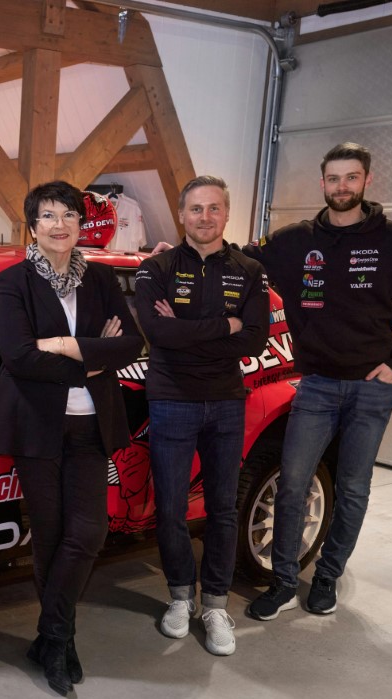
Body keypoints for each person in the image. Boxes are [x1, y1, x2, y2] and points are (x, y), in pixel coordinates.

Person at [242, 142, 392, 620]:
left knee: (352, 488)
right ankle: (283, 581)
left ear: (367, 180)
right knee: (293, 484)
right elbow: (243, 260)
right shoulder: (296, 240)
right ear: (322, 182)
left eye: (351, 177)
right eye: (333, 178)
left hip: (372, 388)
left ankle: (327, 575)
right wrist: (179, 254)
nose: (342, 187)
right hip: (317, 386)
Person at [0, 180, 144, 695]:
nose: (60, 225)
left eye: (69, 215)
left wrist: (62, 344)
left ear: (80, 224)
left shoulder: (100, 279)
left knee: (89, 533)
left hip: (91, 425)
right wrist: (91, 356)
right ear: (33, 227)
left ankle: (51, 635)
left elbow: (131, 344)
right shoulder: (14, 283)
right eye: (49, 216)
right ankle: (61, 641)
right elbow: (18, 356)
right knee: (51, 536)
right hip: (37, 426)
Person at [133, 176, 269, 655]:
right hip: (171, 400)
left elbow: (254, 339)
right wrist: (225, 326)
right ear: (181, 215)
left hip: (226, 401)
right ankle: (179, 597)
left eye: (214, 208)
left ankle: (214, 604)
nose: (205, 217)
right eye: (196, 209)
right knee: (170, 508)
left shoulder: (250, 270)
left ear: (226, 213)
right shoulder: (156, 267)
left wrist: (187, 330)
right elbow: (158, 334)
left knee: (223, 508)